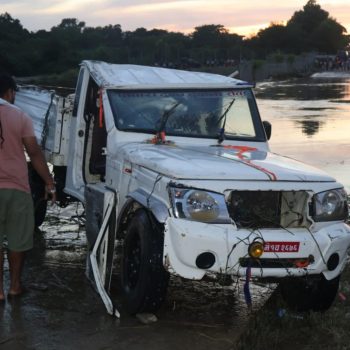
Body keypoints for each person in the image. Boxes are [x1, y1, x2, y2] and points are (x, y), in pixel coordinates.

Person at [0, 73, 56, 301]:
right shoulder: (20, 116)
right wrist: (49, 183)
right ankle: (14, 287)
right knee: (17, 239)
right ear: (10, 92)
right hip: (16, 187)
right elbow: (34, 153)